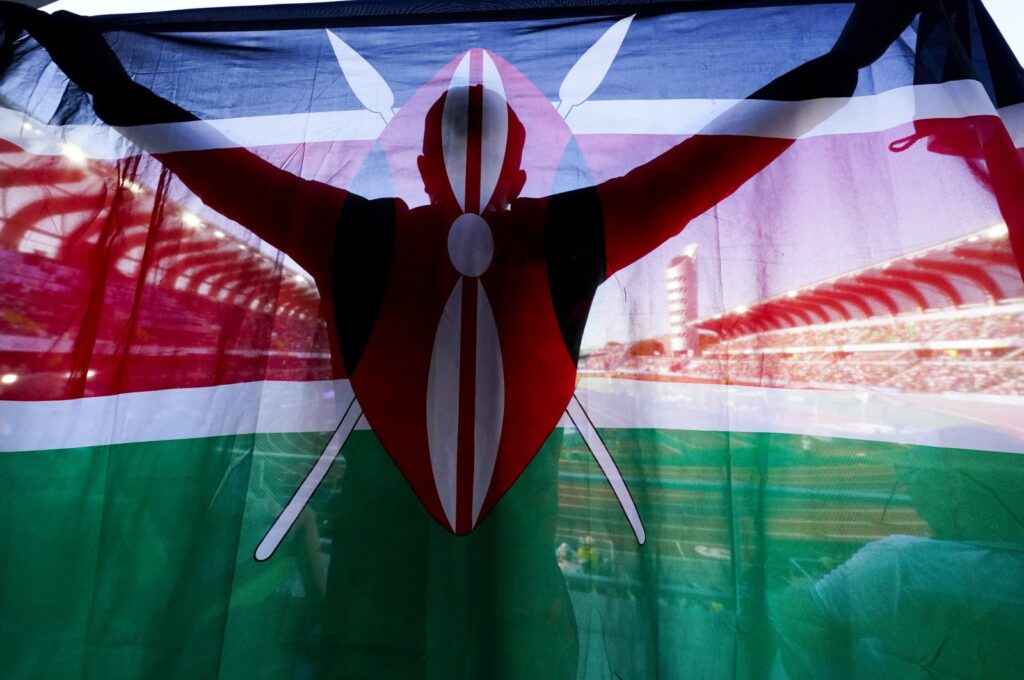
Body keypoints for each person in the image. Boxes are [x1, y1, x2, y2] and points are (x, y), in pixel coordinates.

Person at [16, 3, 920, 535]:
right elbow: (720, 156)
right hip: (517, 568)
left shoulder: (353, 235)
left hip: (372, 549)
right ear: (527, 168)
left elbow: (200, 155)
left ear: (418, 163)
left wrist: (96, 73)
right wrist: (849, 55)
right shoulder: (570, 234)